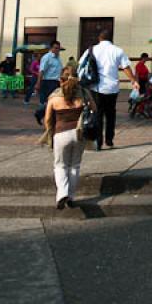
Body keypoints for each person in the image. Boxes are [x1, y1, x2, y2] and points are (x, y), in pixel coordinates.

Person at [44, 67, 96, 209]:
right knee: (75, 165)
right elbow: (95, 110)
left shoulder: (54, 96)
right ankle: (71, 197)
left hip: (60, 134)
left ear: (61, 79)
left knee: (60, 165)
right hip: (79, 133)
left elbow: (48, 119)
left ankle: (62, 193)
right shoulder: (84, 93)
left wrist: (50, 132)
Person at [78, 29, 137, 151]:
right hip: (112, 88)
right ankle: (109, 140)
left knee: (97, 114)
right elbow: (125, 67)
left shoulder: (92, 49)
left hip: (96, 87)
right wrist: (133, 80)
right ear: (111, 38)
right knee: (111, 114)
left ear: (99, 38)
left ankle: (98, 142)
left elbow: (81, 64)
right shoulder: (117, 50)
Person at [34, 41, 63, 125]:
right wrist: (38, 83)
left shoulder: (58, 58)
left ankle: (41, 114)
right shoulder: (47, 57)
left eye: (58, 48)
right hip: (48, 82)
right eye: (55, 48)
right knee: (51, 101)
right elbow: (41, 71)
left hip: (56, 82)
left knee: (54, 101)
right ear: (51, 48)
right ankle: (42, 115)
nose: (57, 50)